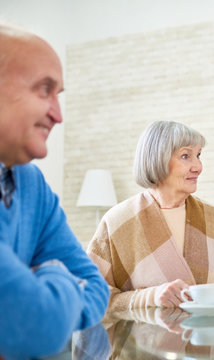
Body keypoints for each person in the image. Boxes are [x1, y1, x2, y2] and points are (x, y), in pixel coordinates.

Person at [0, 24, 109, 358]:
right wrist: (55, 275)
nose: (58, 115)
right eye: (44, 90)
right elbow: (37, 326)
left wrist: (41, 294)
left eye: (58, 95)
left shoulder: (32, 185)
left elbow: (96, 288)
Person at [87, 120, 214, 311]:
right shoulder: (118, 222)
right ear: (157, 159)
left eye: (199, 155)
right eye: (186, 156)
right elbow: (91, 296)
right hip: (144, 340)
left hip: (213, 338)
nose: (198, 167)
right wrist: (148, 297)